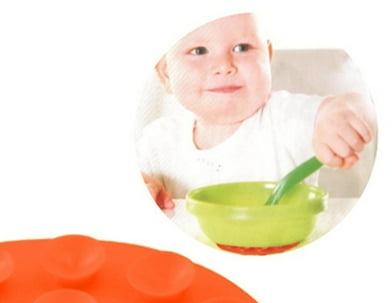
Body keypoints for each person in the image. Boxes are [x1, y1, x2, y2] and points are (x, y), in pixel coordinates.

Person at [137, 13, 375, 211]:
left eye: (242, 48)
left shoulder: (285, 118)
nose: (224, 66)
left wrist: (343, 115)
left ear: (267, 56)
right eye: (199, 51)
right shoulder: (157, 141)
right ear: (166, 73)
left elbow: (360, 107)